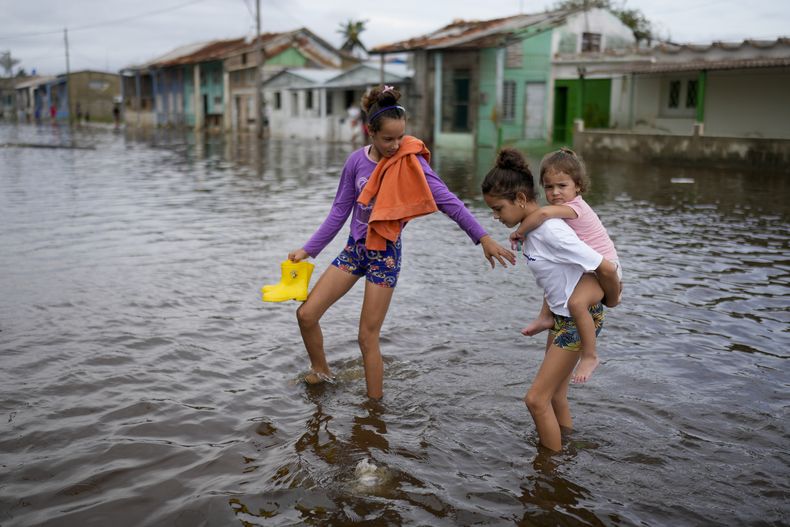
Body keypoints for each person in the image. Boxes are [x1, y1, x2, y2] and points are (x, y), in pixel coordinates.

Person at [287, 85, 515, 400]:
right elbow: (338, 213)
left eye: (400, 137)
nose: (396, 145)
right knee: (306, 314)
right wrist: (308, 250)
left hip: (385, 254)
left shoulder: (411, 161)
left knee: (367, 337)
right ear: (370, 132)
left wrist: (483, 237)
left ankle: (374, 409)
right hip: (355, 249)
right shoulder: (356, 163)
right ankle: (322, 372)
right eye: (388, 139)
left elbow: (448, 200)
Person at [481, 148, 619, 452]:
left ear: (519, 199)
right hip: (562, 317)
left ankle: (550, 471)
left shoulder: (552, 231)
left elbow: (605, 266)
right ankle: (566, 447)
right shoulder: (532, 230)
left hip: (577, 320)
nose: (495, 216)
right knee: (554, 395)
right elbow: (555, 277)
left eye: (498, 209)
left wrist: (613, 298)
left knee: (535, 399)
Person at [509, 147, 621, 383]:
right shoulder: (566, 207)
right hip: (588, 267)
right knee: (556, 275)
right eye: (549, 187)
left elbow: (542, 214)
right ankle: (545, 317)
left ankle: (590, 355)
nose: (555, 192)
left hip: (604, 268)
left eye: (562, 186)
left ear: (577, 186)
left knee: (576, 302)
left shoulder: (575, 207)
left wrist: (519, 233)